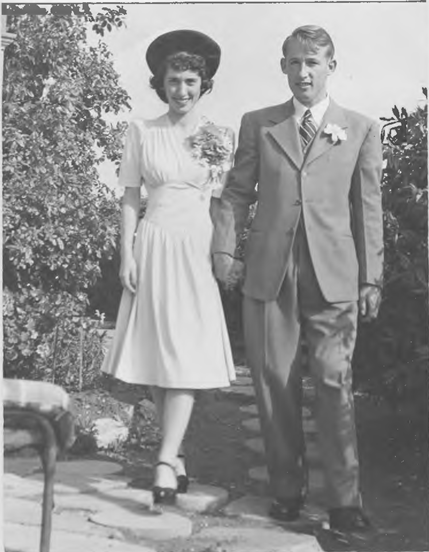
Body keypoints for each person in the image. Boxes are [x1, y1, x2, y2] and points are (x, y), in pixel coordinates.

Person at [212, 25, 383, 533]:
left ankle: (345, 500)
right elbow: (237, 193)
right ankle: (286, 490)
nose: (303, 72)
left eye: (312, 62)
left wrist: (371, 278)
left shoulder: (360, 128)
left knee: (334, 379)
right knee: (274, 382)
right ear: (283, 66)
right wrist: (224, 250)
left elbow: (368, 209)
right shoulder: (258, 124)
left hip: (336, 275)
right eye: (294, 62)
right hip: (271, 271)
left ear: (332, 66)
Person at [102, 29, 236, 505]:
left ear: (204, 84)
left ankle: (163, 459)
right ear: (161, 83)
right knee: (159, 356)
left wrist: (224, 255)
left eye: (190, 81)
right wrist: (127, 253)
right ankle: (174, 456)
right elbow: (130, 198)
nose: (182, 90)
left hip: (195, 248)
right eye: (174, 80)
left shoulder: (219, 136)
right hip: (154, 244)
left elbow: (222, 204)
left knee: (183, 355)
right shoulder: (142, 131)